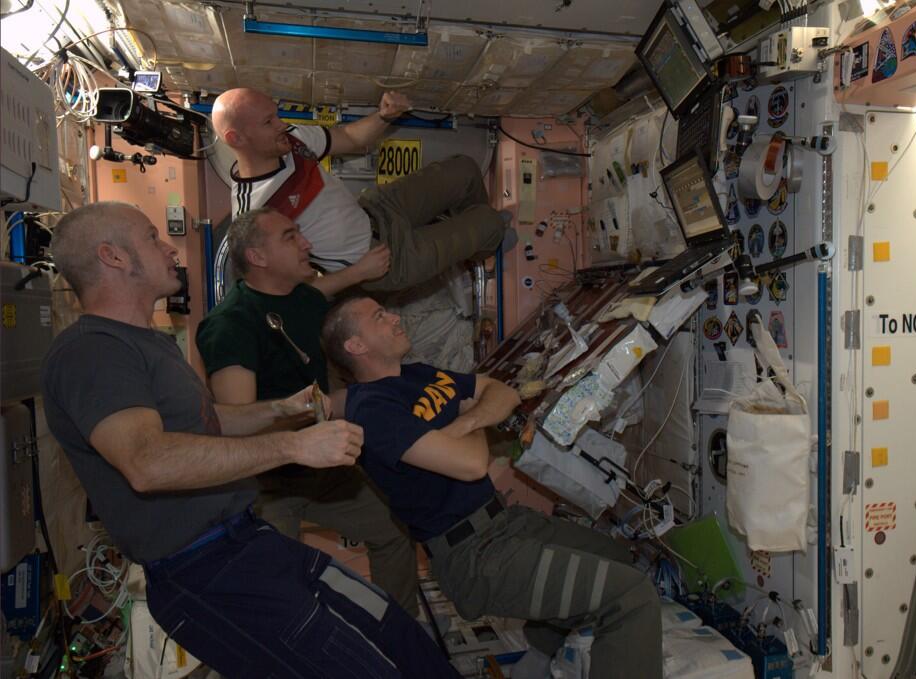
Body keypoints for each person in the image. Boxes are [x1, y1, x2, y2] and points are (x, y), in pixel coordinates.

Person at [41, 202, 459, 679]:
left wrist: (280, 410)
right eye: (152, 237)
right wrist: (293, 446)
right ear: (113, 256)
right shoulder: (92, 352)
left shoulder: (148, 343)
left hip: (248, 540)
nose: (169, 249)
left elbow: (206, 421)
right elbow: (147, 461)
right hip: (205, 572)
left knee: (394, 629)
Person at [321, 294, 664, 679]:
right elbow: (471, 465)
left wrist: (467, 421)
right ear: (356, 345)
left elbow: (502, 392)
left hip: (504, 522)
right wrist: (472, 412)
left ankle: (538, 660)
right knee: (631, 597)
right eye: (379, 317)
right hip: (473, 555)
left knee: (618, 559)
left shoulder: (416, 374)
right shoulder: (374, 409)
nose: (395, 318)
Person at [195, 206, 419, 618]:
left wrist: (361, 271)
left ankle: (400, 632)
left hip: (321, 472)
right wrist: (306, 417)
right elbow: (236, 423)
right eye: (290, 237)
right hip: (266, 483)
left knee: (394, 528)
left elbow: (322, 291)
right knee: (279, 587)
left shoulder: (303, 298)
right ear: (258, 257)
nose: (307, 243)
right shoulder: (231, 324)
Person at [211, 87, 512, 291]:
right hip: (376, 259)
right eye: (268, 122)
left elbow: (350, 138)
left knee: (464, 169)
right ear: (236, 138)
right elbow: (287, 293)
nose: (281, 124)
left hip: (375, 210)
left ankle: (476, 243)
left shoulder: (290, 139)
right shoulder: (255, 212)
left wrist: (384, 116)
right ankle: (488, 241)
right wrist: (357, 274)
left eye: (276, 114)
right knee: (489, 222)